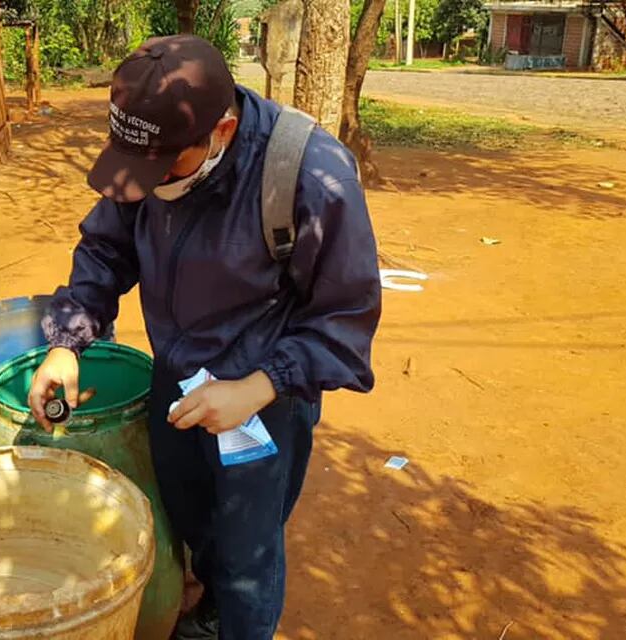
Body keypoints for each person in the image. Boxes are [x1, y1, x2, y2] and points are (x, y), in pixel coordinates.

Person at [28, 35, 381, 640]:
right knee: (192, 514)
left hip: (263, 398)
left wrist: (259, 387)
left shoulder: (310, 179)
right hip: (178, 377)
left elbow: (343, 321)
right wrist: (67, 341)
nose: (150, 184)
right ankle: (212, 606)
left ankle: (241, 620)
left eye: (167, 167)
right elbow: (106, 249)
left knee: (248, 550)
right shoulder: (149, 149)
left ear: (220, 131)